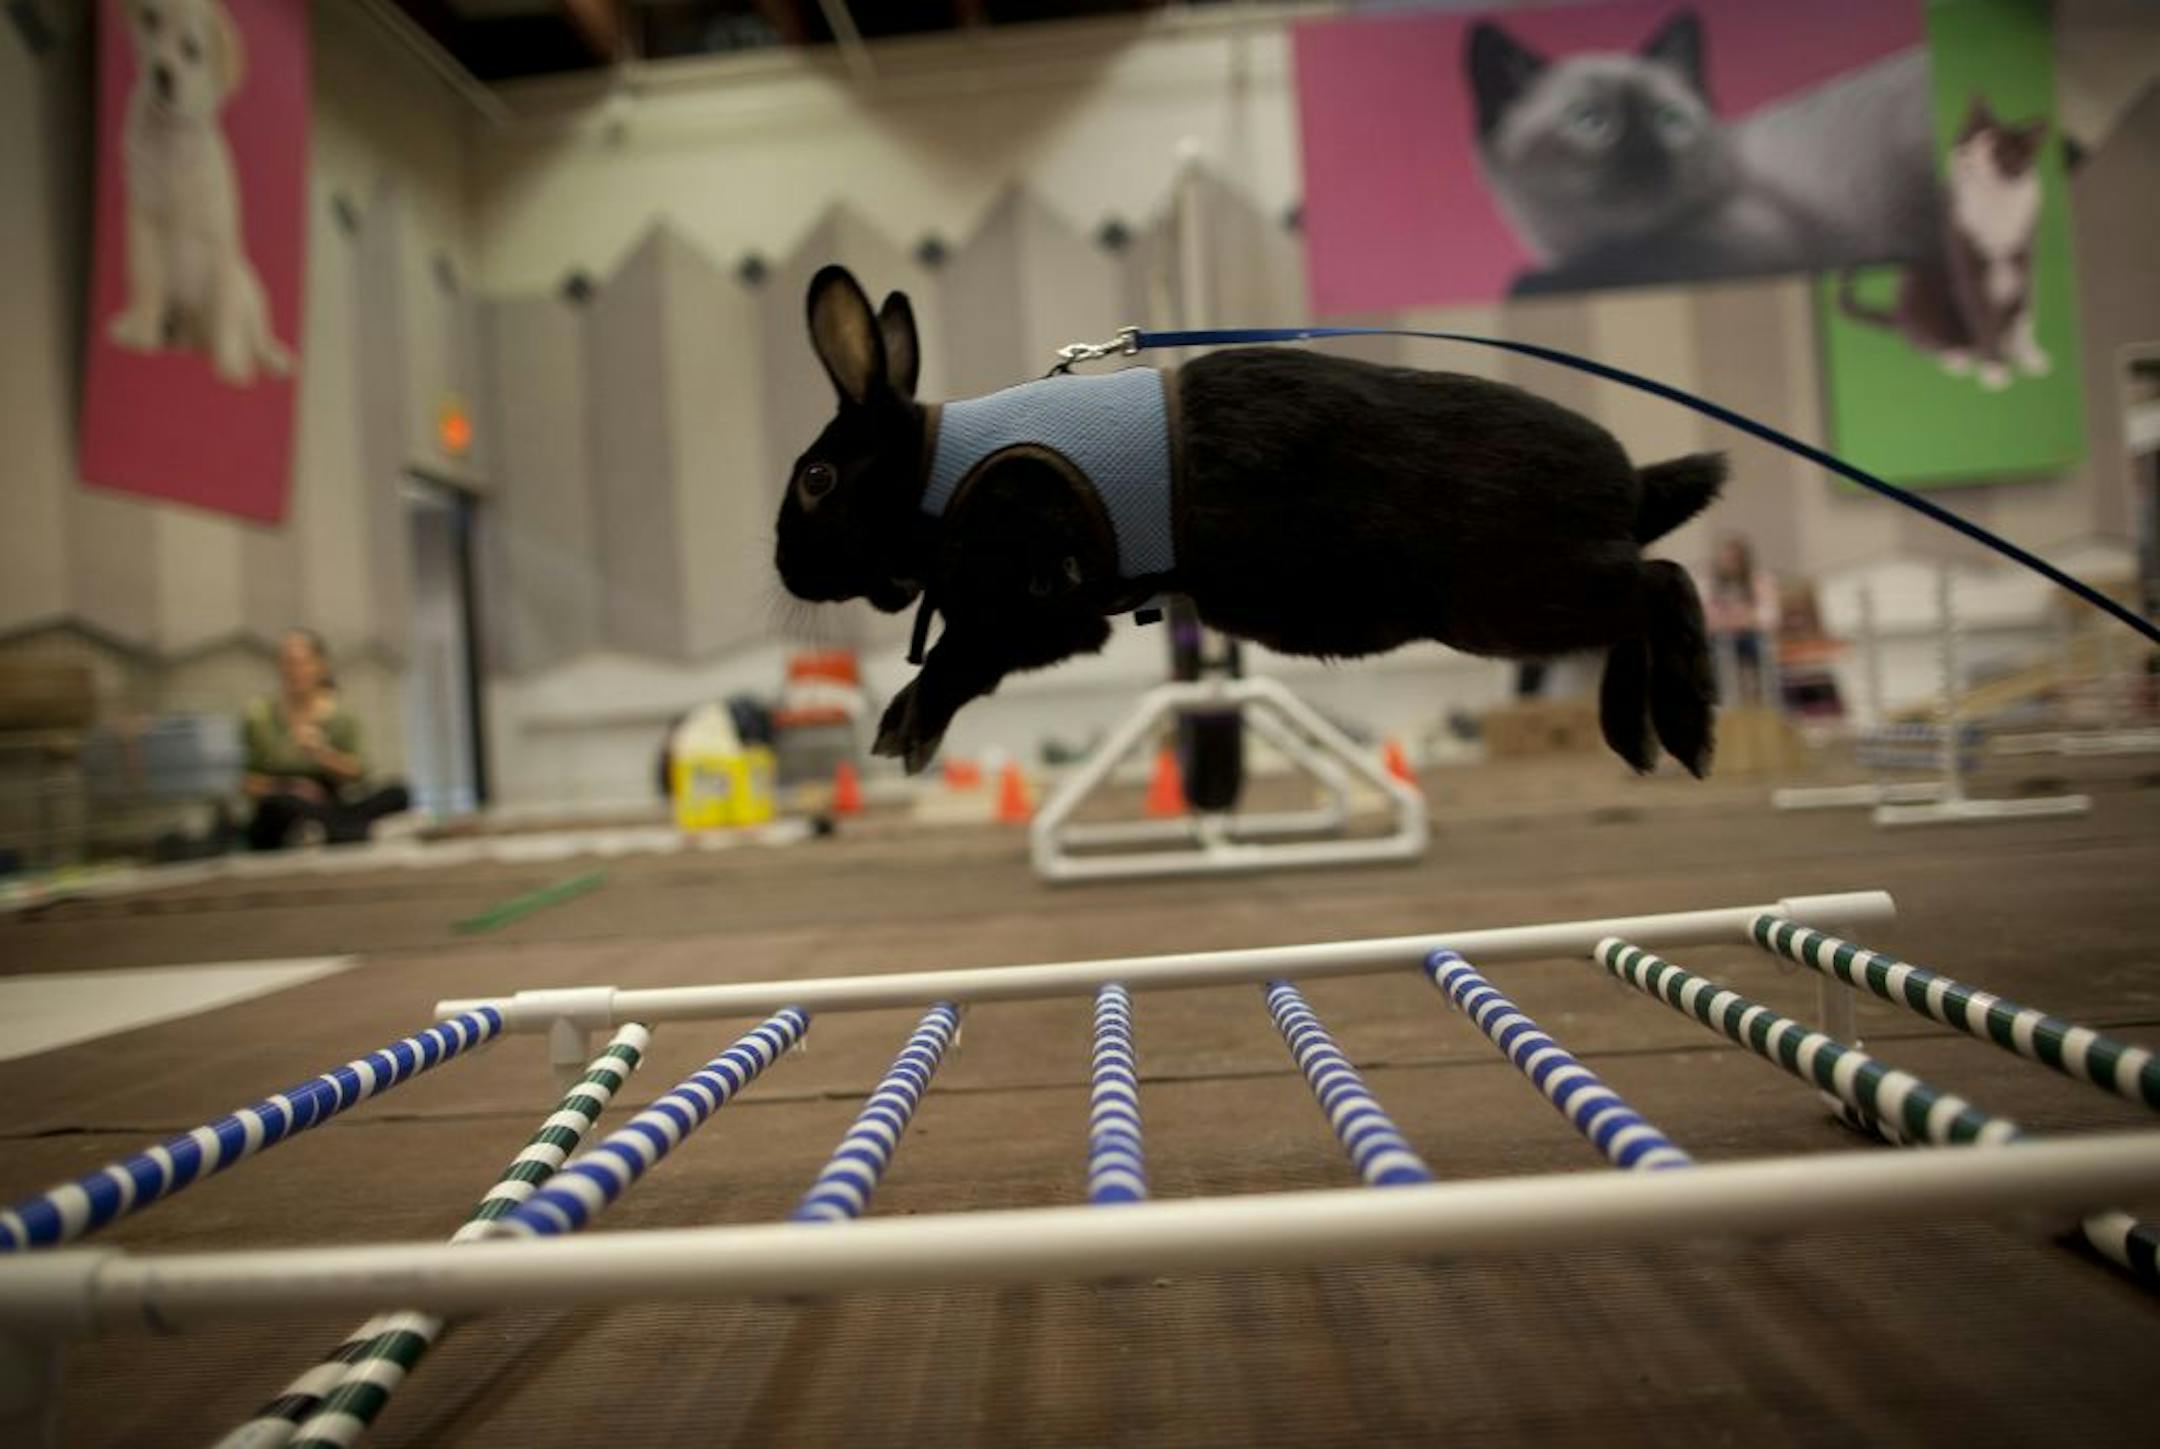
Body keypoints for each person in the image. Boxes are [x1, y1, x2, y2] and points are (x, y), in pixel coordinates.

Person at [243, 630, 409, 849]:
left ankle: (332, 832)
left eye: (301, 663)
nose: (294, 671)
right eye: (287, 663)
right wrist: (289, 786)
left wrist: (321, 753)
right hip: (283, 800)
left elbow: (358, 773)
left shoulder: (342, 716)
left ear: (320, 666)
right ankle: (349, 833)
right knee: (277, 807)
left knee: (398, 792)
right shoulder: (260, 716)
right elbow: (246, 782)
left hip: (327, 803)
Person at [1704, 535, 1780, 706]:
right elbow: (1708, 619)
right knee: (1714, 648)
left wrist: (1742, 619)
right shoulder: (1714, 585)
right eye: (1724, 559)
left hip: (1752, 638)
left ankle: (1768, 703)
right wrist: (1733, 619)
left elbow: (1769, 616)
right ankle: (1721, 705)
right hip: (1721, 638)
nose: (1728, 563)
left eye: (1732, 559)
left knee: (1760, 645)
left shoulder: (1759, 581)